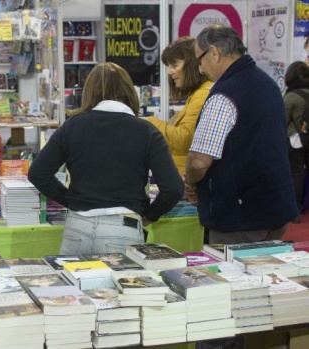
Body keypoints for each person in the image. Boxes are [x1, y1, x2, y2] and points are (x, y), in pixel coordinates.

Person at [27, 62, 184, 255]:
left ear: (88, 92)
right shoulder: (146, 131)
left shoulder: (71, 127)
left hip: (78, 225)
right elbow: (174, 188)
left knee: (71, 285)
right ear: (129, 91)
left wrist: (71, 201)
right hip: (123, 228)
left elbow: (38, 173)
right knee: (125, 284)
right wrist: (150, 215)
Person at [185, 24, 297, 244]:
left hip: (239, 217)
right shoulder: (268, 84)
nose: (200, 69)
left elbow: (199, 162)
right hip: (275, 209)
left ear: (214, 53)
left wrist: (190, 183)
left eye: (199, 60)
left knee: (232, 276)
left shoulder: (224, 95)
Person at [145, 37, 213, 175]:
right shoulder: (196, 95)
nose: (170, 72)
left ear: (191, 66)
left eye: (174, 65)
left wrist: (147, 122)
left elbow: (185, 139)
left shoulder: (202, 94)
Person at [283, 61, 309, 220]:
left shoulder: (291, 97)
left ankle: (294, 210)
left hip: (294, 140)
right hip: (306, 138)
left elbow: (281, 121)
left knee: (295, 174)